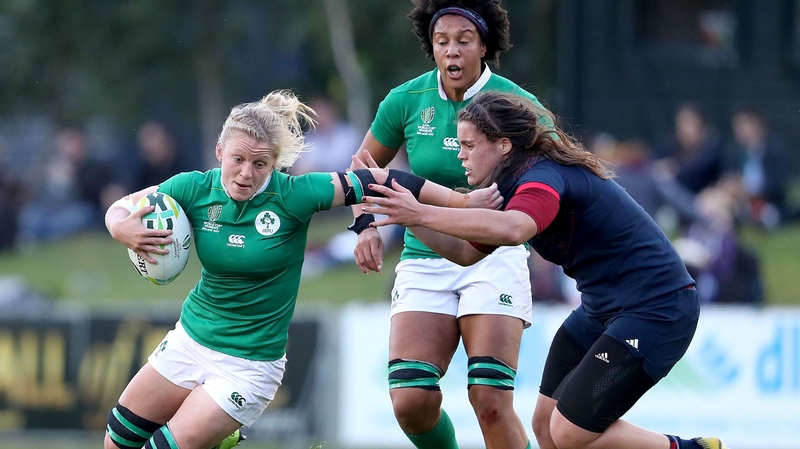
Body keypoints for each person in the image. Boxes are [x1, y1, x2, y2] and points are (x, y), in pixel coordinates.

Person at [102, 89, 495, 449]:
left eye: (260, 164)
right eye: (238, 159)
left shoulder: (294, 196)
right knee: (117, 441)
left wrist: (464, 204)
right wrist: (120, 225)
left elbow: (383, 179)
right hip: (190, 340)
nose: (245, 173)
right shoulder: (194, 188)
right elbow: (123, 206)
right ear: (220, 150)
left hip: (249, 366)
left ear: (275, 164)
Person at [361, 91, 729, 449]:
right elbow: (463, 253)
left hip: (657, 309)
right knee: (545, 425)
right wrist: (405, 214)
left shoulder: (542, 176)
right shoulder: (507, 187)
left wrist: (422, 212)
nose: (461, 156)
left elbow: (515, 229)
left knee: (569, 432)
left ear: (503, 145)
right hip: (602, 309)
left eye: (469, 146)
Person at [349, 2, 548, 448]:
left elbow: (561, 166)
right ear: (431, 48)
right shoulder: (405, 101)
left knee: (490, 399)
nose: (451, 52)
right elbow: (361, 169)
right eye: (442, 42)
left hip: (493, 255)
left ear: (483, 45)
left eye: (463, 40)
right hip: (426, 256)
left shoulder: (517, 105)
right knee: (410, 402)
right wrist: (364, 224)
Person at [17, 126, 115, 244]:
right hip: (50, 208)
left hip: (77, 208)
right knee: (31, 214)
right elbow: (36, 193)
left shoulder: (94, 166)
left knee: (81, 216)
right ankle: (35, 236)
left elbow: (92, 196)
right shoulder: (52, 164)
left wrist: (73, 178)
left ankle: (42, 237)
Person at [725, 105, 788, 229]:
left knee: (768, 214)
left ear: (757, 125)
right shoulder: (735, 152)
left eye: (743, 125)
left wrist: (750, 191)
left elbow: (777, 184)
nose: (739, 130)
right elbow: (728, 177)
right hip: (740, 202)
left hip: (766, 202)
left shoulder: (773, 151)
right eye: (737, 126)